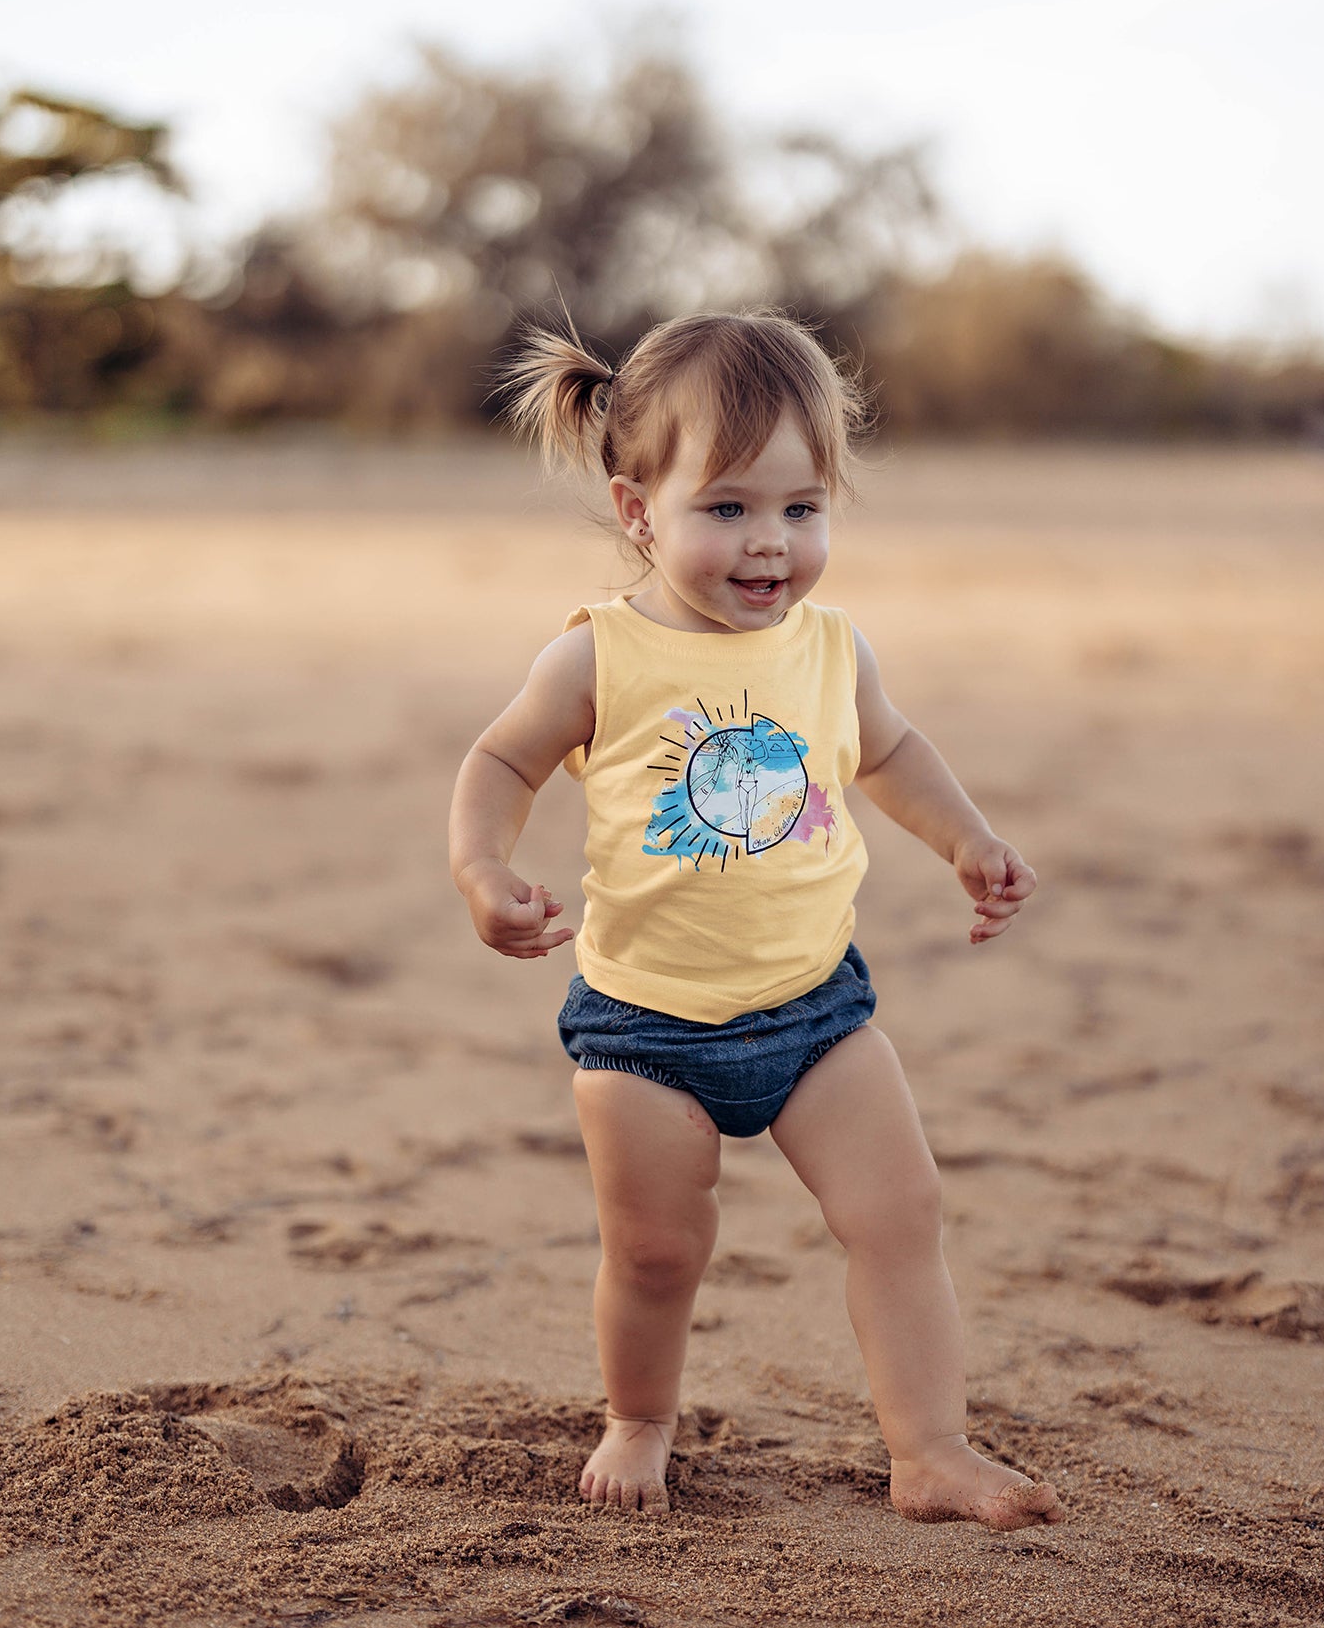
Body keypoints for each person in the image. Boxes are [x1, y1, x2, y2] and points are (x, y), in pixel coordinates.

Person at [449, 310, 1063, 1530]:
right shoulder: (600, 657)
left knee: (900, 1214)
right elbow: (500, 760)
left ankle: (930, 1446)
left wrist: (968, 840)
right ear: (639, 511)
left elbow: (888, 753)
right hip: (644, 1029)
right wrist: (481, 869)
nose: (770, 542)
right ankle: (639, 1416)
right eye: (726, 508)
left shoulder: (832, 649)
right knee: (660, 1251)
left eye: (802, 507)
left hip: (818, 1011)